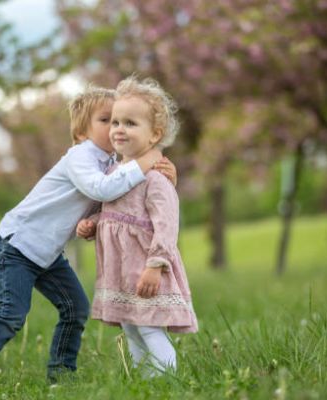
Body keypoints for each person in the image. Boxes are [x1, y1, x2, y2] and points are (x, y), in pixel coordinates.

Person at [0, 85, 176, 384]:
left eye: (121, 120)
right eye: (107, 120)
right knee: (13, 312)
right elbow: (102, 189)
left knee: (76, 308)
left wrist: (160, 171)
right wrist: (146, 161)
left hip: (47, 254)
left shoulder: (114, 164)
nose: (116, 127)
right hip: (17, 245)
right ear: (81, 133)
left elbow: (121, 201)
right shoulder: (80, 156)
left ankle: (61, 374)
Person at [76, 76, 198, 377]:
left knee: (150, 327)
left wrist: (156, 265)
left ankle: (167, 382)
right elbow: (113, 211)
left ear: (155, 135)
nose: (119, 129)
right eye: (115, 122)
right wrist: (93, 223)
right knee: (131, 328)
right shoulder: (115, 172)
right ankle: (145, 381)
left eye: (130, 123)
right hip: (120, 270)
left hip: (145, 269)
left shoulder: (156, 178)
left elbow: (167, 226)